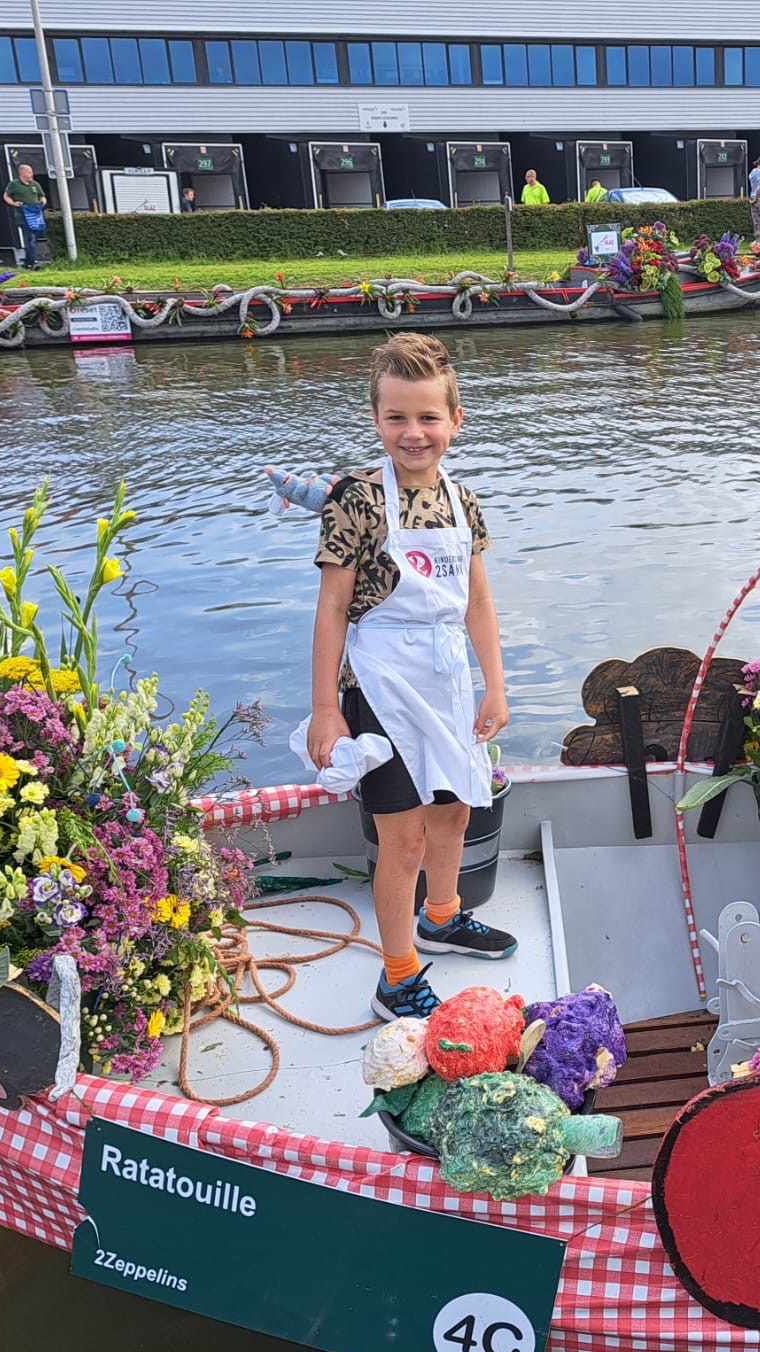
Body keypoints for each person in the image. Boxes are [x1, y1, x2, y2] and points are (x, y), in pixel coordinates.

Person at [306, 333, 516, 1022]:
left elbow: (478, 602)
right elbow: (332, 609)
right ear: (376, 419)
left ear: (456, 420)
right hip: (380, 684)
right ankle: (396, 976)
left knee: (455, 811)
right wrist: (326, 711)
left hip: (449, 677)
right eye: (397, 417)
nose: (413, 433)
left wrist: (496, 684)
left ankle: (444, 916)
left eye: (428, 417)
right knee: (402, 839)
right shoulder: (355, 501)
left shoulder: (465, 502)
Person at [3, 162, 48, 270]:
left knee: (35, 238)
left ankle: (28, 261)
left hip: (36, 216)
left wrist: (42, 202)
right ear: (22, 173)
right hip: (22, 215)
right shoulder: (14, 184)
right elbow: (6, 196)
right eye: (29, 172)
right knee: (30, 238)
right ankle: (33, 261)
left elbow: (42, 196)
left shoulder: (35, 185)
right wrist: (14, 204)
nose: (32, 174)